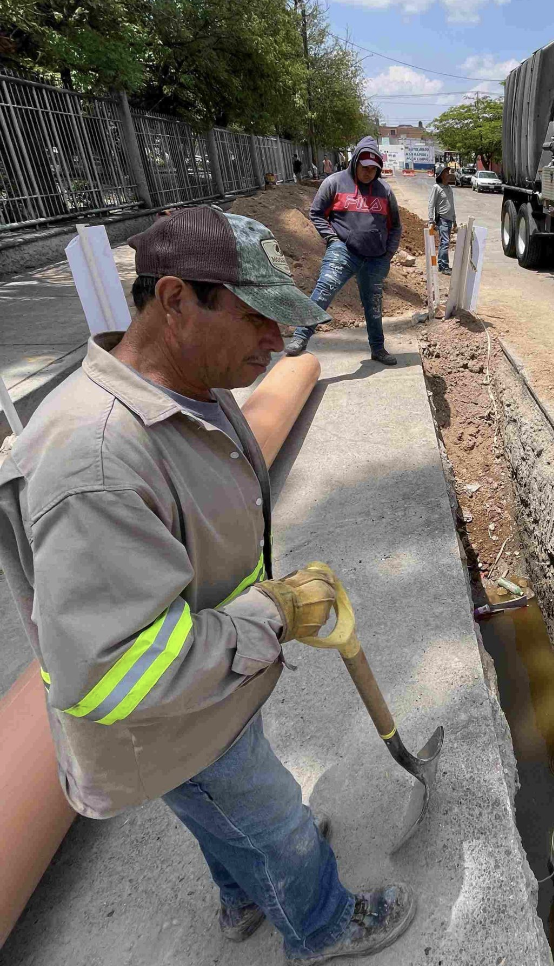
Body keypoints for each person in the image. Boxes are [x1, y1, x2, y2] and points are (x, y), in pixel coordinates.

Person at [0, 206, 416, 961]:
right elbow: (116, 670)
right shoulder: (96, 462)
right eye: (256, 317)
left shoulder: (191, 383)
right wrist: (271, 615)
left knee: (226, 815)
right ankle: (321, 924)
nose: (277, 341)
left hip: (210, 688)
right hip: (171, 717)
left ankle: (244, 893)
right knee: (274, 818)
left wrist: (259, 608)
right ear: (174, 300)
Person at [286, 136, 402, 365]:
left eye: (373, 168)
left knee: (374, 304)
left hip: (375, 258)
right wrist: (332, 239)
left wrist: (388, 254)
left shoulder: (385, 191)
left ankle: (378, 348)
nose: (368, 172)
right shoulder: (334, 183)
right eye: (364, 167)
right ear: (355, 161)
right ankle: (300, 337)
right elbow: (316, 213)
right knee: (324, 289)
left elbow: (396, 226)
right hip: (344, 251)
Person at [428, 163, 456, 276]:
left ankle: (441, 264)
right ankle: (444, 266)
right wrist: (431, 220)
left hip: (449, 220)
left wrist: (455, 220)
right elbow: (431, 204)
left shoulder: (449, 188)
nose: (448, 174)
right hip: (442, 219)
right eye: (446, 172)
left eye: (448, 172)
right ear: (441, 175)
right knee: (445, 242)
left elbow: (452, 205)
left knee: (444, 243)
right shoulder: (437, 188)